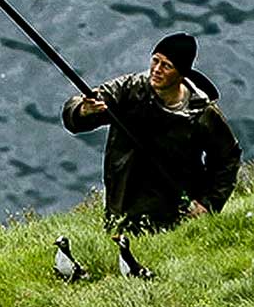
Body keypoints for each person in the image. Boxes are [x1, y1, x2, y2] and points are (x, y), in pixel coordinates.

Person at [62, 32, 242, 233]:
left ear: (181, 74)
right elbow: (82, 111)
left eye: (166, 66)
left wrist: (208, 204)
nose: (156, 70)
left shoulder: (201, 113)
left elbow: (227, 158)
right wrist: (83, 110)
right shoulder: (129, 89)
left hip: (175, 209)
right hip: (123, 199)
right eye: (155, 60)